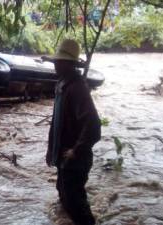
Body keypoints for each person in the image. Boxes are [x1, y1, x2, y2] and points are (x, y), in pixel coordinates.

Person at [42, 39, 101, 225]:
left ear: (69, 64)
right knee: (63, 193)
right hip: (64, 157)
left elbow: (93, 125)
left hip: (75, 159)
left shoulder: (77, 88)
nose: (55, 65)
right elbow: (57, 122)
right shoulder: (63, 84)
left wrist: (76, 150)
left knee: (76, 205)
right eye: (55, 61)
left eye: (59, 62)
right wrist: (51, 150)